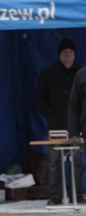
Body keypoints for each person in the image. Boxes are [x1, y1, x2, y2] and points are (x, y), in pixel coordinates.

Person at [37, 37, 81, 205]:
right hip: (56, 125)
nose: (67, 55)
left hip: (76, 126)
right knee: (55, 161)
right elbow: (40, 96)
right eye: (65, 52)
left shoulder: (80, 74)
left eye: (70, 52)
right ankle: (55, 195)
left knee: (76, 161)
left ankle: (77, 193)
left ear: (74, 55)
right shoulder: (48, 74)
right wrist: (50, 113)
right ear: (59, 55)